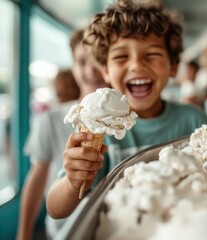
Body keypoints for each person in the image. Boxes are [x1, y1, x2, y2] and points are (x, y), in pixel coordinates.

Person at [46, 0, 207, 219]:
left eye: (152, 54)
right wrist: (72, 181)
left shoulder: (195, 120)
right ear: (105, 70)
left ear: (173, 66)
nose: (136, 65)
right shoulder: (99, 131)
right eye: (121, 56)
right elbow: (56, 209)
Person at [17, 29, 108, 240]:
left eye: (97, 60)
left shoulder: (124, 122)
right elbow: (37, 177)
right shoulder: (49, 119)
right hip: (62, 230)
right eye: (82, 61)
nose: (91, 70)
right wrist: (23, 234)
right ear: (73, 66)